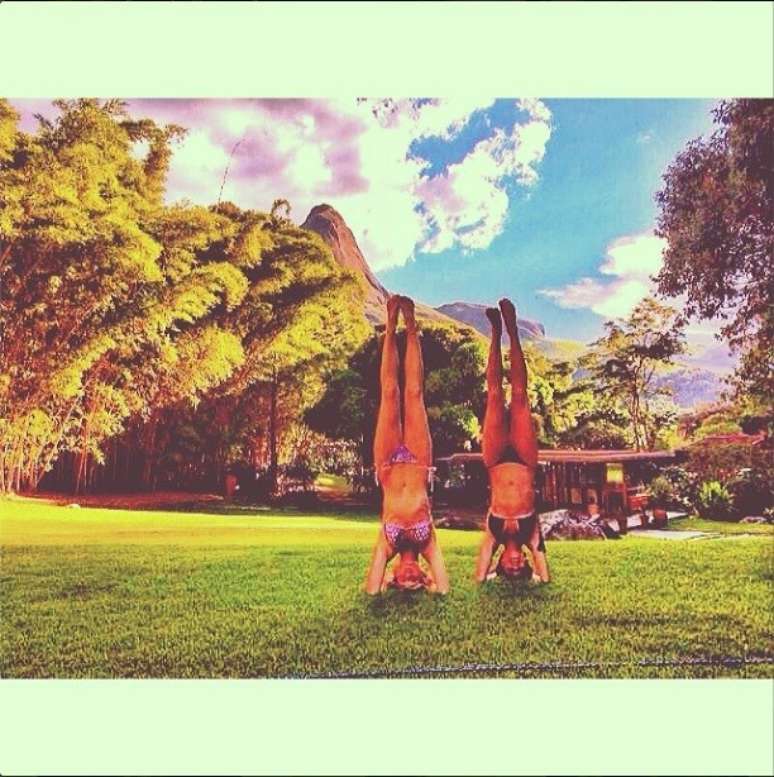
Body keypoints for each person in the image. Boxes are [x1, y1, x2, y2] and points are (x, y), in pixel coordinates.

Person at [364, 295, 450, 595]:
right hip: (418, 462)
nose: (411, 576)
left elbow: (372, 590)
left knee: (389, 393)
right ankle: (411, 326)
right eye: (417, 580)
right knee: (413, 393)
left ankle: (390, 325)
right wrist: (430, 584)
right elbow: (444, 588)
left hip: (387, 466)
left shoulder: (387, 545)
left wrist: (386, 580)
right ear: (424, 575)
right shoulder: (428, 543)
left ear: (395, 575)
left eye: (405, 581)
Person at [475, 298, 550, 584]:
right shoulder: (531, 533)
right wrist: (537, 577)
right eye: (521, 568)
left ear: (501, 562)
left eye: (510, 568)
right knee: (520, 395)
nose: (516, 563)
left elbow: (480, 574)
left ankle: (496, 332)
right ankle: (513, 329)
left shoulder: (494, 532)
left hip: (495, 460)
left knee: (494, 395)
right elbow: (544, 574)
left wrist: (489, 576)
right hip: (524, 460)